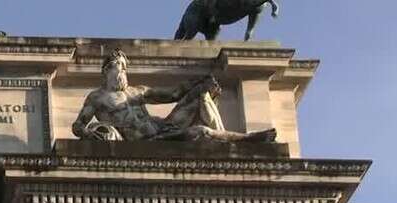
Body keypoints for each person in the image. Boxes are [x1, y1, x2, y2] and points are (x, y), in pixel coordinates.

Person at [73, 50, 276, 143]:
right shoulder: (96, 98)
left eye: (125, 69)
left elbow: (173, 94)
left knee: (200, 95)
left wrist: (199, 83)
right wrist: (91, 132)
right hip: (146, 143)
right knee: (201, 131)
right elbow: (78, 126)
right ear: (107, 70)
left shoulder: (137, 91)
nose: (123, 73)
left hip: (162, 129)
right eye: (120, 68)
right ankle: (246, 139)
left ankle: (230, 144)